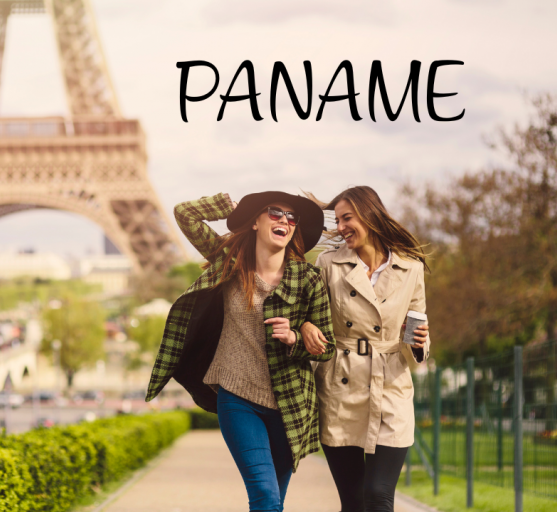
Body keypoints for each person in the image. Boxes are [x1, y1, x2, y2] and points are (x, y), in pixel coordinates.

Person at [146, 191, 336, 512]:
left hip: (290, 403)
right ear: (255, 222)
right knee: (265, 494)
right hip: (237, 398)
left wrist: (295, 338)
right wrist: (226, 207)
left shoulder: (308, 279)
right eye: (275, 213)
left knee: (273, 501)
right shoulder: (230, 263)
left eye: (292, 218)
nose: (284, 221)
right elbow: (184, 214)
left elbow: (326, 347)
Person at [299, 186, 430, 512]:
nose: (340, 226)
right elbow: (307, 312)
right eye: (338, 219)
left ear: (370, 215)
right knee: (354, 501)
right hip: (340, 384)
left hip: (391, 386)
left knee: (379, 493)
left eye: (347, 218)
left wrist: (419, 342)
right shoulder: (329, 264)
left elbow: (417, 324)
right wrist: (305, 326)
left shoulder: (410, 267)